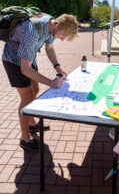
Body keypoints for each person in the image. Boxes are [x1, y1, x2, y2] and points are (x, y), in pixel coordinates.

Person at [2, 12, 79, 151]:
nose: (62, 39)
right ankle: (25, 138)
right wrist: (51, 83)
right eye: (63, 35)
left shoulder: (51, 25)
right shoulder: (32, 31)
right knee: (27, 96)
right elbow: (25, 69)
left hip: (28, 57)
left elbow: (49, 48)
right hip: (13, 60)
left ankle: (31, 124)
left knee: (35, 90)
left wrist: (57, 66)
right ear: (57, 25)